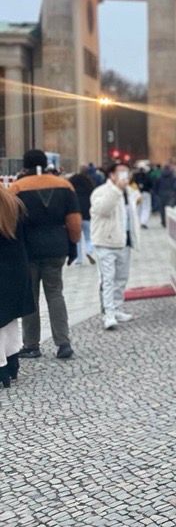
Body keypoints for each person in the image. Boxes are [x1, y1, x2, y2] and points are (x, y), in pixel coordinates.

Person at [11, 150, 81, 360]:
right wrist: (73, 244)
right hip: (57, 246)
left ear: (25, 166)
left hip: (29, 249)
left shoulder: (18, 188)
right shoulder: (64, 185)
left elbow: (11, 222)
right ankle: (63, 342)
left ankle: (31, 344)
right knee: (55, 293)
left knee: (31, 297)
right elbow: (74, 221)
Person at [90, 162, 142, 330]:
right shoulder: (101, 191)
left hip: (124, 241)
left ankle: (118, 308)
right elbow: (103, 210)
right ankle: (108, 313)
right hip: (105, 242)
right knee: (107, 279)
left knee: (121, 278)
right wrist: (117, 189)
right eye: (121, 172)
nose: (125, 175)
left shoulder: (130, 192)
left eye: (127, 172)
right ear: (112, 175)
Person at [0, 184, 32, 388]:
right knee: (9, 318)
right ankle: (12, 362)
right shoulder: (14, 203)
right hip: (16, 268)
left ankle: (2, 368)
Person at [68, 165, 96, 265]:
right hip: (87, 212)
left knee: (78, 238)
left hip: (75, 212)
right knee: (89, 236)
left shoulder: (72, 180)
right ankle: (89, 251)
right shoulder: (89, 182)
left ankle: (78, 259)